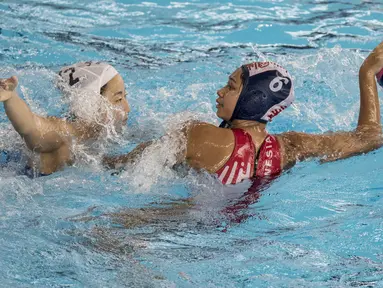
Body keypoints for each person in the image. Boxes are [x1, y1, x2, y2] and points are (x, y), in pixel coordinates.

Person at [104, 41, 383, 186]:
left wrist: (95, 157)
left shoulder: (201, 135)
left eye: (231, 86)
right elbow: (369, 137)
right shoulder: (291, 147)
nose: (220, 92)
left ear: (254, 99)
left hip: (180, 222)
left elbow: (128, 164)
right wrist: (367, 73)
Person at [0, 61, 130, 176]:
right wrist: (11, 97)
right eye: (118, 99)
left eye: (125, 96)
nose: (127, 108)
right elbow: (32, 128)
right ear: (92, 103)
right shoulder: (63, 133)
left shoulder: (92, 135)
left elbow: (94, 161)